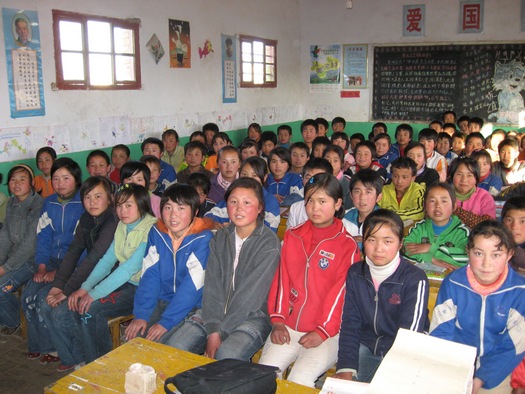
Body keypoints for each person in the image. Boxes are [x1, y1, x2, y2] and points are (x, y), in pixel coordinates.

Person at [259, 173, 360, 388]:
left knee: (299, 380)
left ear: (338, 204)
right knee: (264, 375)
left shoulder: (347, 246)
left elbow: (340, 295)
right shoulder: (293, 236)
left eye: (323, 201)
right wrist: (277, 321)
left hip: (329, 332)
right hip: (289, 325)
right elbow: (281, 281)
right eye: (310, 201)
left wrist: (323, 331)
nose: (315, 207)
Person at [164, 178, 281, 362]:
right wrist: (213, 329)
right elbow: (212, 285)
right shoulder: (221, 237)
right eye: (233, 202)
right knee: (175, 346)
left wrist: (221, 332)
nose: (239, 208)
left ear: (260, 208)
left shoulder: (268, 243)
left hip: (253, 317)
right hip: (213, 313)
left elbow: (250, 296)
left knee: (226, 356)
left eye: (247, 202)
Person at [430, 220, 525, 393]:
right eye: (479, 253)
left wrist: (481, 378)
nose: (486, 264)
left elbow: (513, 345)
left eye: (496, 255)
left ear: (509, 254)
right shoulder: (452, 283)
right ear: (468, 251)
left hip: (496, 370)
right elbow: (441, 332)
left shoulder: (519, 291)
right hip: (455, 365)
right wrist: (456, 373)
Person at [334, 209, 429, 383]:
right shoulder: (355, 273)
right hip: (366, 345)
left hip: (403, 353)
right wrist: (346, 367)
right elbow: (350, 323)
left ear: (400, 243)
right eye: (371, 240)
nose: (378, 249)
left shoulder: (415, 279)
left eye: (387, 241)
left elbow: (409, 336)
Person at [71, 184, 157, 363]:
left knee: (91, 309)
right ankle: (90, 358)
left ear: (141, 205)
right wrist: (85, 288)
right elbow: (107, 261)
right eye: (119, 205)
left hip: (143, 289)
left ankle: (101, 364)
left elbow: (129, 268)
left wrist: (93, 294)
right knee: (82, 303)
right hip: (126, 282)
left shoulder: (151, 229)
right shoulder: (123, 226)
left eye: (128, 205)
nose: (122, 211)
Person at [40, 176, 118, 371]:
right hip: (91, 277)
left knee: (63, 311)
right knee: (46, 303)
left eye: (98, 196)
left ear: (110, 198)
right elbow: (74, 251)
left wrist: (66, 291)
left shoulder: (113, 220)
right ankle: (74, 358)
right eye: (87, 197)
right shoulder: (86, 218)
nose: (92, 202)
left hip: (111, 280)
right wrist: (58, 285)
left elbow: (94, 258)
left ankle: (91, 361)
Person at [125, 184, 214, 345]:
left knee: (163, 346)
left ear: (195, 212)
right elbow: (150, 275)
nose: (173, 215)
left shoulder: (203, 239)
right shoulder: (157, 233)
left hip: (193, 306)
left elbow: (191, 286)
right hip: (162, 300)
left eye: (181, 208)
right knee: (132, 341)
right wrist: (142, 314)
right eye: (168, 207)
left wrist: (165, 322)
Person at [22, 158, 84, 364]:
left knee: (43, 301)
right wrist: (41, 266)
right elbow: (44, 236)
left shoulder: (84, 203)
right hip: (50, 262)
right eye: (56, 178)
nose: (60, 183)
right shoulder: (49, 202)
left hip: (72, 266)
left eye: (66, 178)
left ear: (76, 179)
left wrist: (60, 273)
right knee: (28, 296)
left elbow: (80, 246)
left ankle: (58, 349)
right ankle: (40, 344)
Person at [0, 165, 44, 335]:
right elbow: (4, 236)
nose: (17, 184)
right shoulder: (11, 203)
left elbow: (29, 245)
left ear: (32, 182)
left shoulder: (39, 204)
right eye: (13, 179)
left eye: (22, 179)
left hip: (32, 261)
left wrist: (5, 268)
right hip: (14, 259)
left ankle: (14, 322)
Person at [404, 182, 470, 270]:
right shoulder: (419, 228)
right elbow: (405, 249)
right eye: (432, 201)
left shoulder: (462, 232)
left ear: (454, 206)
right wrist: (430, 259)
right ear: (425, 206)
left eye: (444, 201)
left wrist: (431, 248)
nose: (438, 206)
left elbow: (465, 257)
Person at [206, 157, 280, 232]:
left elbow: (269, 229)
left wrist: (235, 228)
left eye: (254, 176)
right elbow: (208, 217)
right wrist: (213, 224)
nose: (248, 179)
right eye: (244, 174)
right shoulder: (233, 196)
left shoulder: (269, 200)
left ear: (264, 177)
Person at [449, 157, 496, 229]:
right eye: (459, 174)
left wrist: (457, 211)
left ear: (476, 178)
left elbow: (488, 225)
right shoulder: (444, 195)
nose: (464, 179)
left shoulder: (484, 196)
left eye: (469, 175)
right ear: (452, 176)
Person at [286, 158, 333, 229]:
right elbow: (289, 236)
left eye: (318, 178)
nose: (313, 183)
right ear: (303, 180)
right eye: (309, 178)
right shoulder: (295, 208)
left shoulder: (333, 208)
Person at [342, 168, 383, 246]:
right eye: (357, 192)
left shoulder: (384, 221)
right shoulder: (343, 217)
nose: (362, 197)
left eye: (368, 192)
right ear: (351, 195)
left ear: (378, 197)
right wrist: (349, 241)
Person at [378, 157, 425, 224]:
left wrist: (390, 216)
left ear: (413, 178)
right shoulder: (383, 190)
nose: (399, 181)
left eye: (404, 177)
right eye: (395, 176)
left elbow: (420, 212)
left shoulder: (418, 190)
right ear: (391, 176)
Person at [323, 145, 353, 210]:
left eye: (335, 161)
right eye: (327, 160)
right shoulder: (318, 180)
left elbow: (348, 208)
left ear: (342, 164)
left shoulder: (347, 184)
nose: (331, 164)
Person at [501, 196, 525, 276]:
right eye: (509, 220)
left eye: (522, 221)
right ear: (502, 221)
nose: (514, 227)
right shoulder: (495, 242)